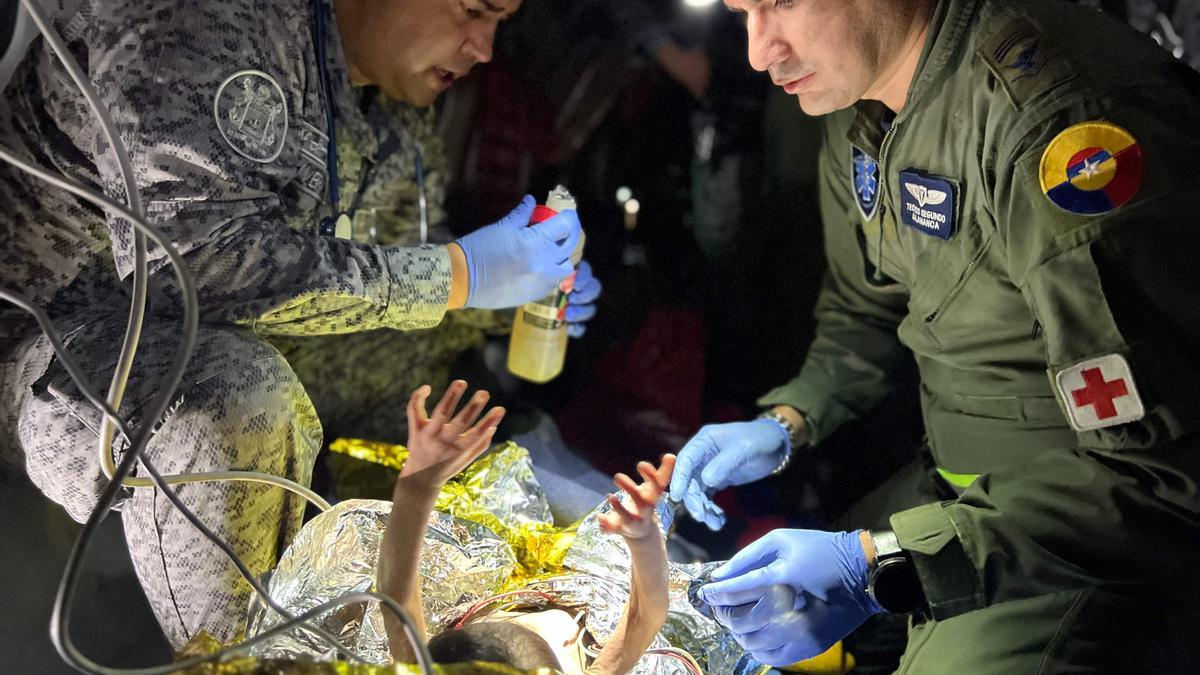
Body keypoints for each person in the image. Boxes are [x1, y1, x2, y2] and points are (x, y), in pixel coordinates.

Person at [0, 0, 597, 649]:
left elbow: (379, 265)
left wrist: (508, 291)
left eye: (500, 24)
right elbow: (191, 265)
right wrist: (458, 274)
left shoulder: (388, 106)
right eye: (473, 10)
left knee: (445, 393)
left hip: (258, 337)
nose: (483, 48)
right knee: (236, 397)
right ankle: (254, 659)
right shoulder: (205, 19)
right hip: (64, 345)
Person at [667, 0, 1200, 671]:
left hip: (1085, 529)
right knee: (741, 624)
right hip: (958, 484)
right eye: (741, 11)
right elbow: (866, 313)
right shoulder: (862, 107)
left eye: (782, 3)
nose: (758, 50)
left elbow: (1163, 477)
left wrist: (882, 564)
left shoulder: (1056, 120)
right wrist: (789, 419)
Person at [377, 380, 672, 674]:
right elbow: (647, 612)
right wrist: (643, 537)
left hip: (512, 579)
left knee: (516, 460)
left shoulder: (423, 669)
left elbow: (395, 594)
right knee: (638, 507)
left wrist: (419, 481)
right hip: (591, 584)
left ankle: (534, 423)